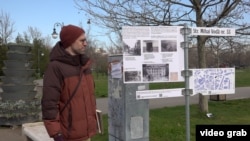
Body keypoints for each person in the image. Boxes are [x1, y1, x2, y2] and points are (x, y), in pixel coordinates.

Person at [41, 24, 97, 141]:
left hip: (87, 134)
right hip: (68, 136)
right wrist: (56, 134)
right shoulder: (55, 67)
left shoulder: (85, 65)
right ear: (70, 42)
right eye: (82, 40)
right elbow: (49, 104)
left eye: (85, 40)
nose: (85, 43)